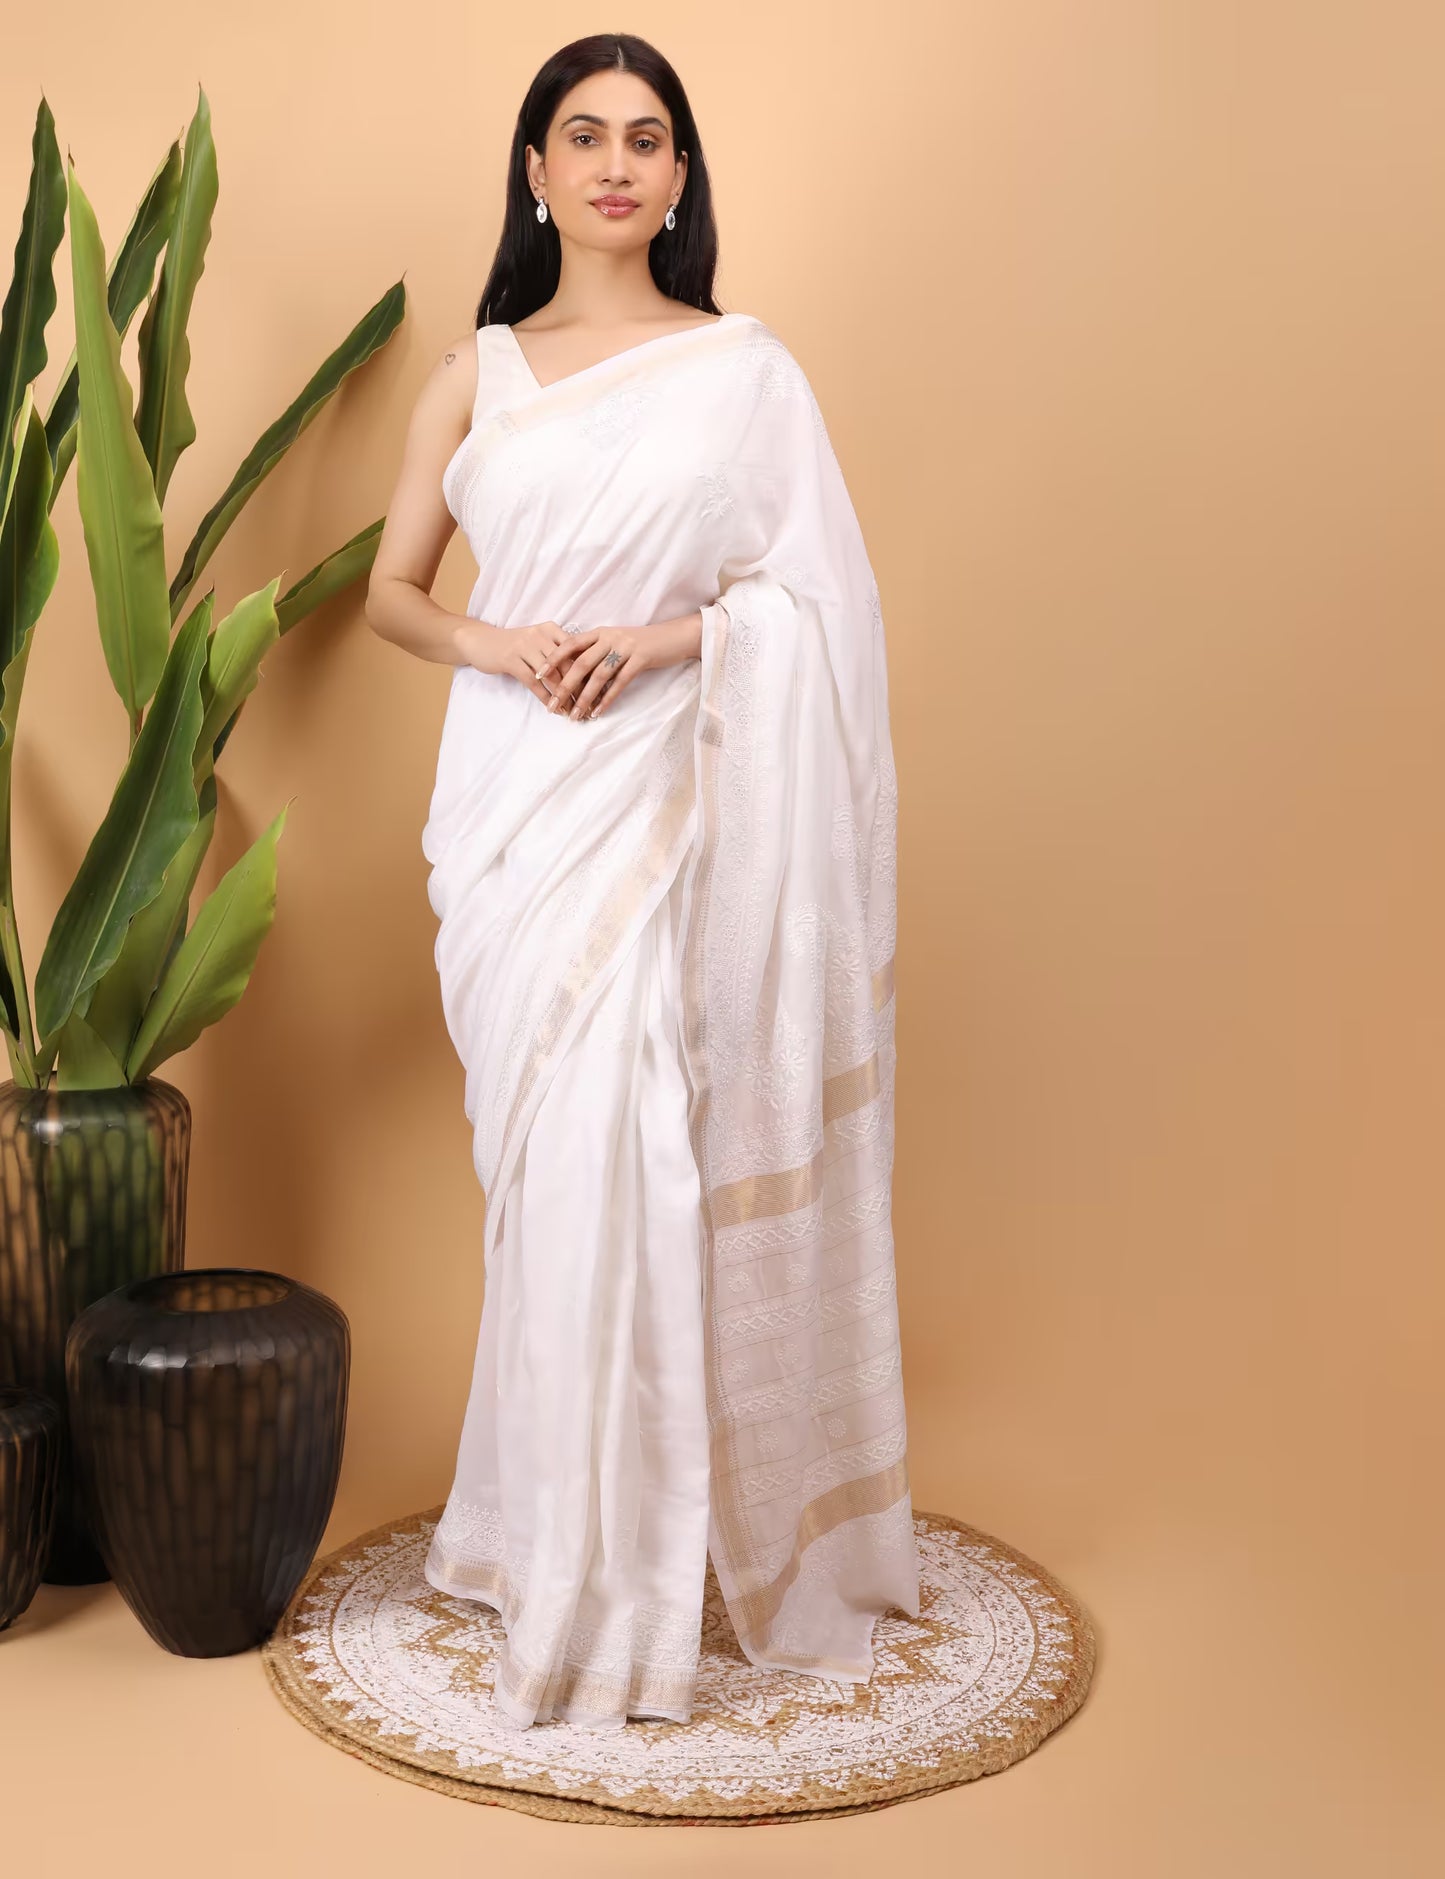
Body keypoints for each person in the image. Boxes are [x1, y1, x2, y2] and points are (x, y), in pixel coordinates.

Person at [366, 31, 919, 1733]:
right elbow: (392, 593)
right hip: (518, 810)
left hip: (671, 795)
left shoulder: (743, 371)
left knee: (640, 1151)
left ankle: (631, 1577)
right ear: (532, 170)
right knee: (550, 1174)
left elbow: (813, 603)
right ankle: (547, 1536)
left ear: (680, 180)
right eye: (582, 134)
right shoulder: (472, 375)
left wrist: (672, 635)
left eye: (648, 139)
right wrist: (501, 643)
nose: (615, 163)